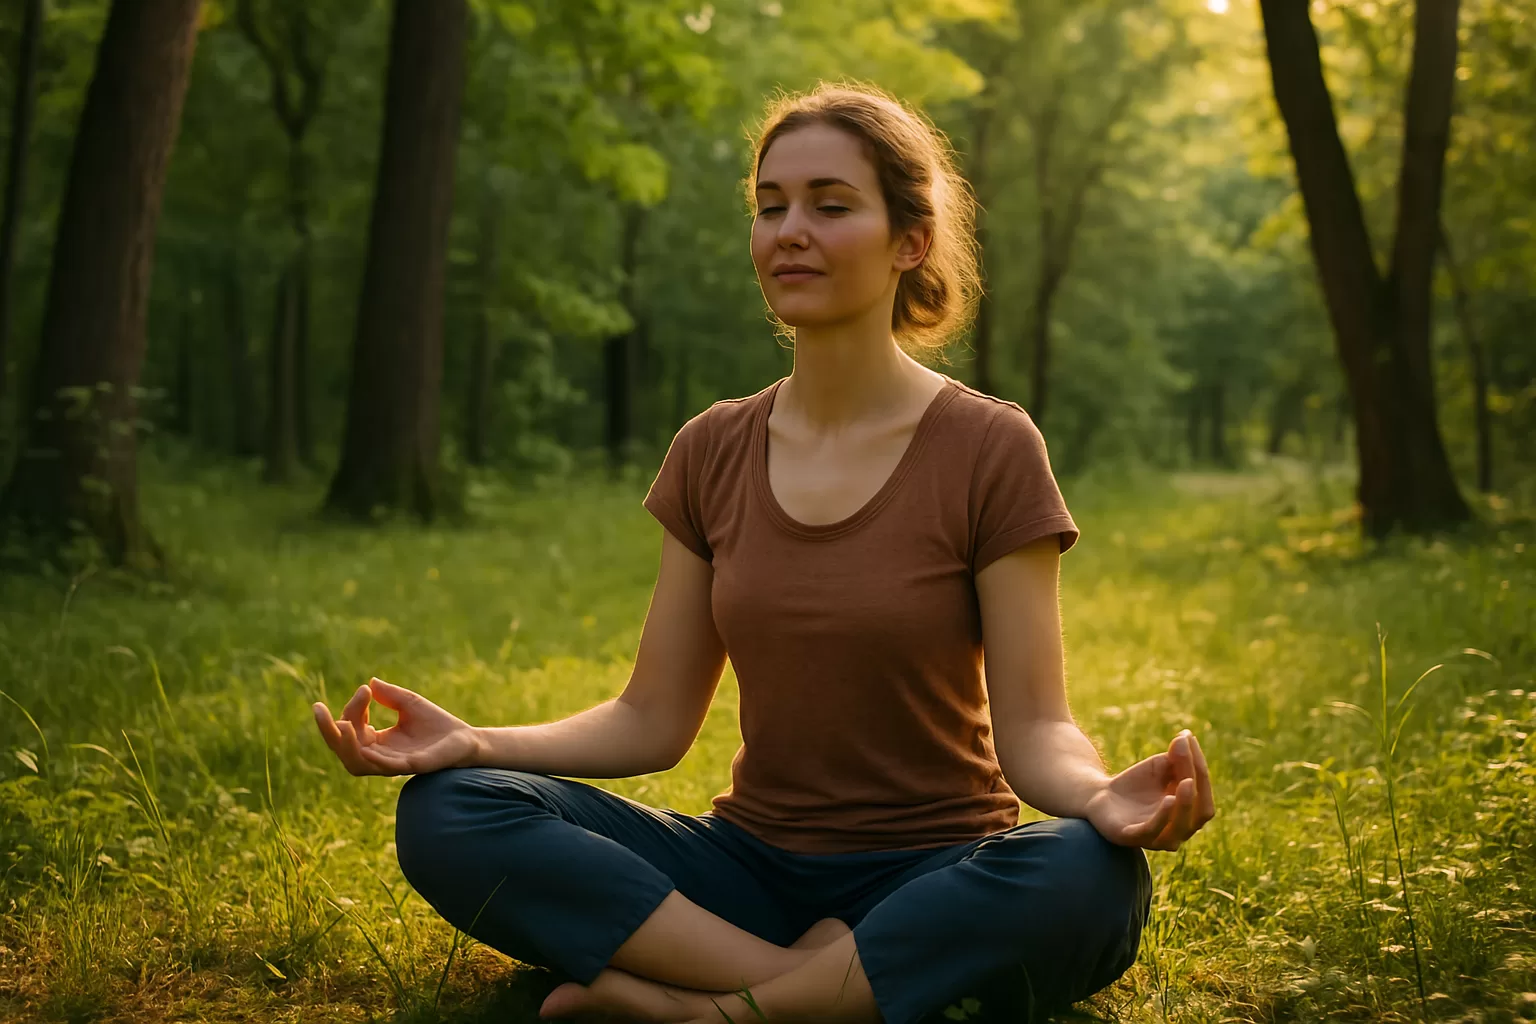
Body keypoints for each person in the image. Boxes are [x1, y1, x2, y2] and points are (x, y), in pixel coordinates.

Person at [312, 82, 1216, 1024]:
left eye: (831, 205)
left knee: (1087, 874)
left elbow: (1036, 731)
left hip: (933, 870)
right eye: (771, 206)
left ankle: (714, 1011)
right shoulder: (713, 448)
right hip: (744, 868)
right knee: (450, 811)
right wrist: (474, 743)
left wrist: (1101, 796)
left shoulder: (990, 448)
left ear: (911, 242)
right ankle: (830, 985)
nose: (791, 230)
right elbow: (652, 718)